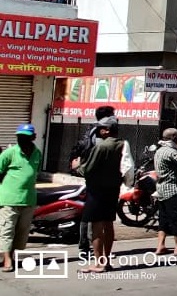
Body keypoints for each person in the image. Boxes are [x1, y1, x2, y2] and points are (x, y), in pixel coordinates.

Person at [73, 117, 124, 273]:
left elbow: (88, 169)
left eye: (101, 128)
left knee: (96, 226)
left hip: (97, 191)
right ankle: (106, 261)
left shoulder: (102, 147)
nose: (98, 131)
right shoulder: (122, 145)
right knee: (108, 224)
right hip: (113, 189)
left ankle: (98, 263)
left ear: (107, 130)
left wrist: (77, 166)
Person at [70, 105, 115, 256]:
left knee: (89, 211)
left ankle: (85, 243)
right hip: (96, 176)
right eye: (112, 115)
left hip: (91, 174)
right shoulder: (100, 134)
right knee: (94, 215)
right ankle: (89, 244)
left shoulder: (91, 130)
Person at [0, 124, 42, 273]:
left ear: (33, 137)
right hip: (9, 199)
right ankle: (7, 260)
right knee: (7, 230)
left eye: (25, 136)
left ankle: (10, 255)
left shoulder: (37, 153)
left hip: (29, 199)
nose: (21, 139)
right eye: (19, 136)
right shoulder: (9, 153)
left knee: (21, 232)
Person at [152, 128, 177, 255]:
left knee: (163, 219)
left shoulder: (160, 151)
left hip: (162, 190)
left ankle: (160, 245)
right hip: (173, 189)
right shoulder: (170, 152)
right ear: (174, 138)